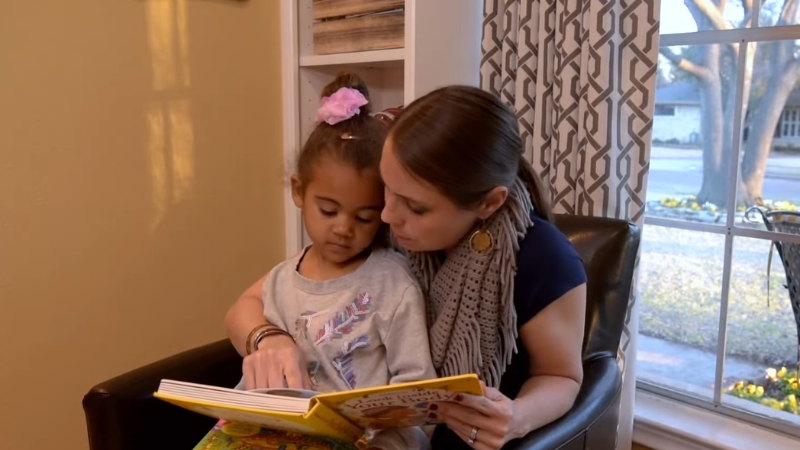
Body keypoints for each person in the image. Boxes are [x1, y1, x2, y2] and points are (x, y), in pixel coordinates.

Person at [225, 85, 587, 450]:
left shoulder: (544, 260)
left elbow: (562, 376)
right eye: (387, 191)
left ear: (488, 203)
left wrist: (518, 417)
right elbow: (251, 303)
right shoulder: (375, 226)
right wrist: (268, 339)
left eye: (415, 207)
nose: (386, 216)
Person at [227, 71, 436, 450]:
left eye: (363, 217)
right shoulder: (279, 280)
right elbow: (238, 318)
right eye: (328, 210)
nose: (343, 229)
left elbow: (417, 395)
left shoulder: (393, 283)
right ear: (298, 192)